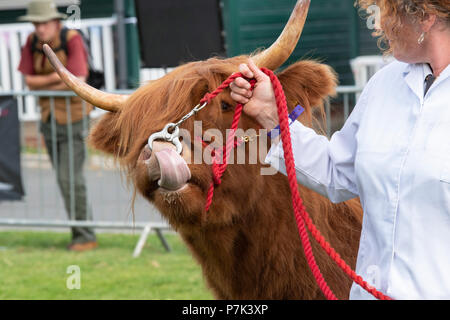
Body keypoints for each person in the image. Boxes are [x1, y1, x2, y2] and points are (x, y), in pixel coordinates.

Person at [230, 0, 450, 299]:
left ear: (425, 17)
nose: (378, 25)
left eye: (386, 12)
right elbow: (338, 171)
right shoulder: (385, 84)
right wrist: (271, 113)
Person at [18, 0, 97, 252]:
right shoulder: (32, 43)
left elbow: (79, 79)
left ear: (55, 21)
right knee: (65, 181)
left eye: (43, 22)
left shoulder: (71, 39)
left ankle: (85, 235)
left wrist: (48, 82)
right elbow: (29, 81)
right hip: (48, 119)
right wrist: (60, 79)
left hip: (75, 119)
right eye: (36, 23)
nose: (39, 28)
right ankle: (79, 232)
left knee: (70, 178)